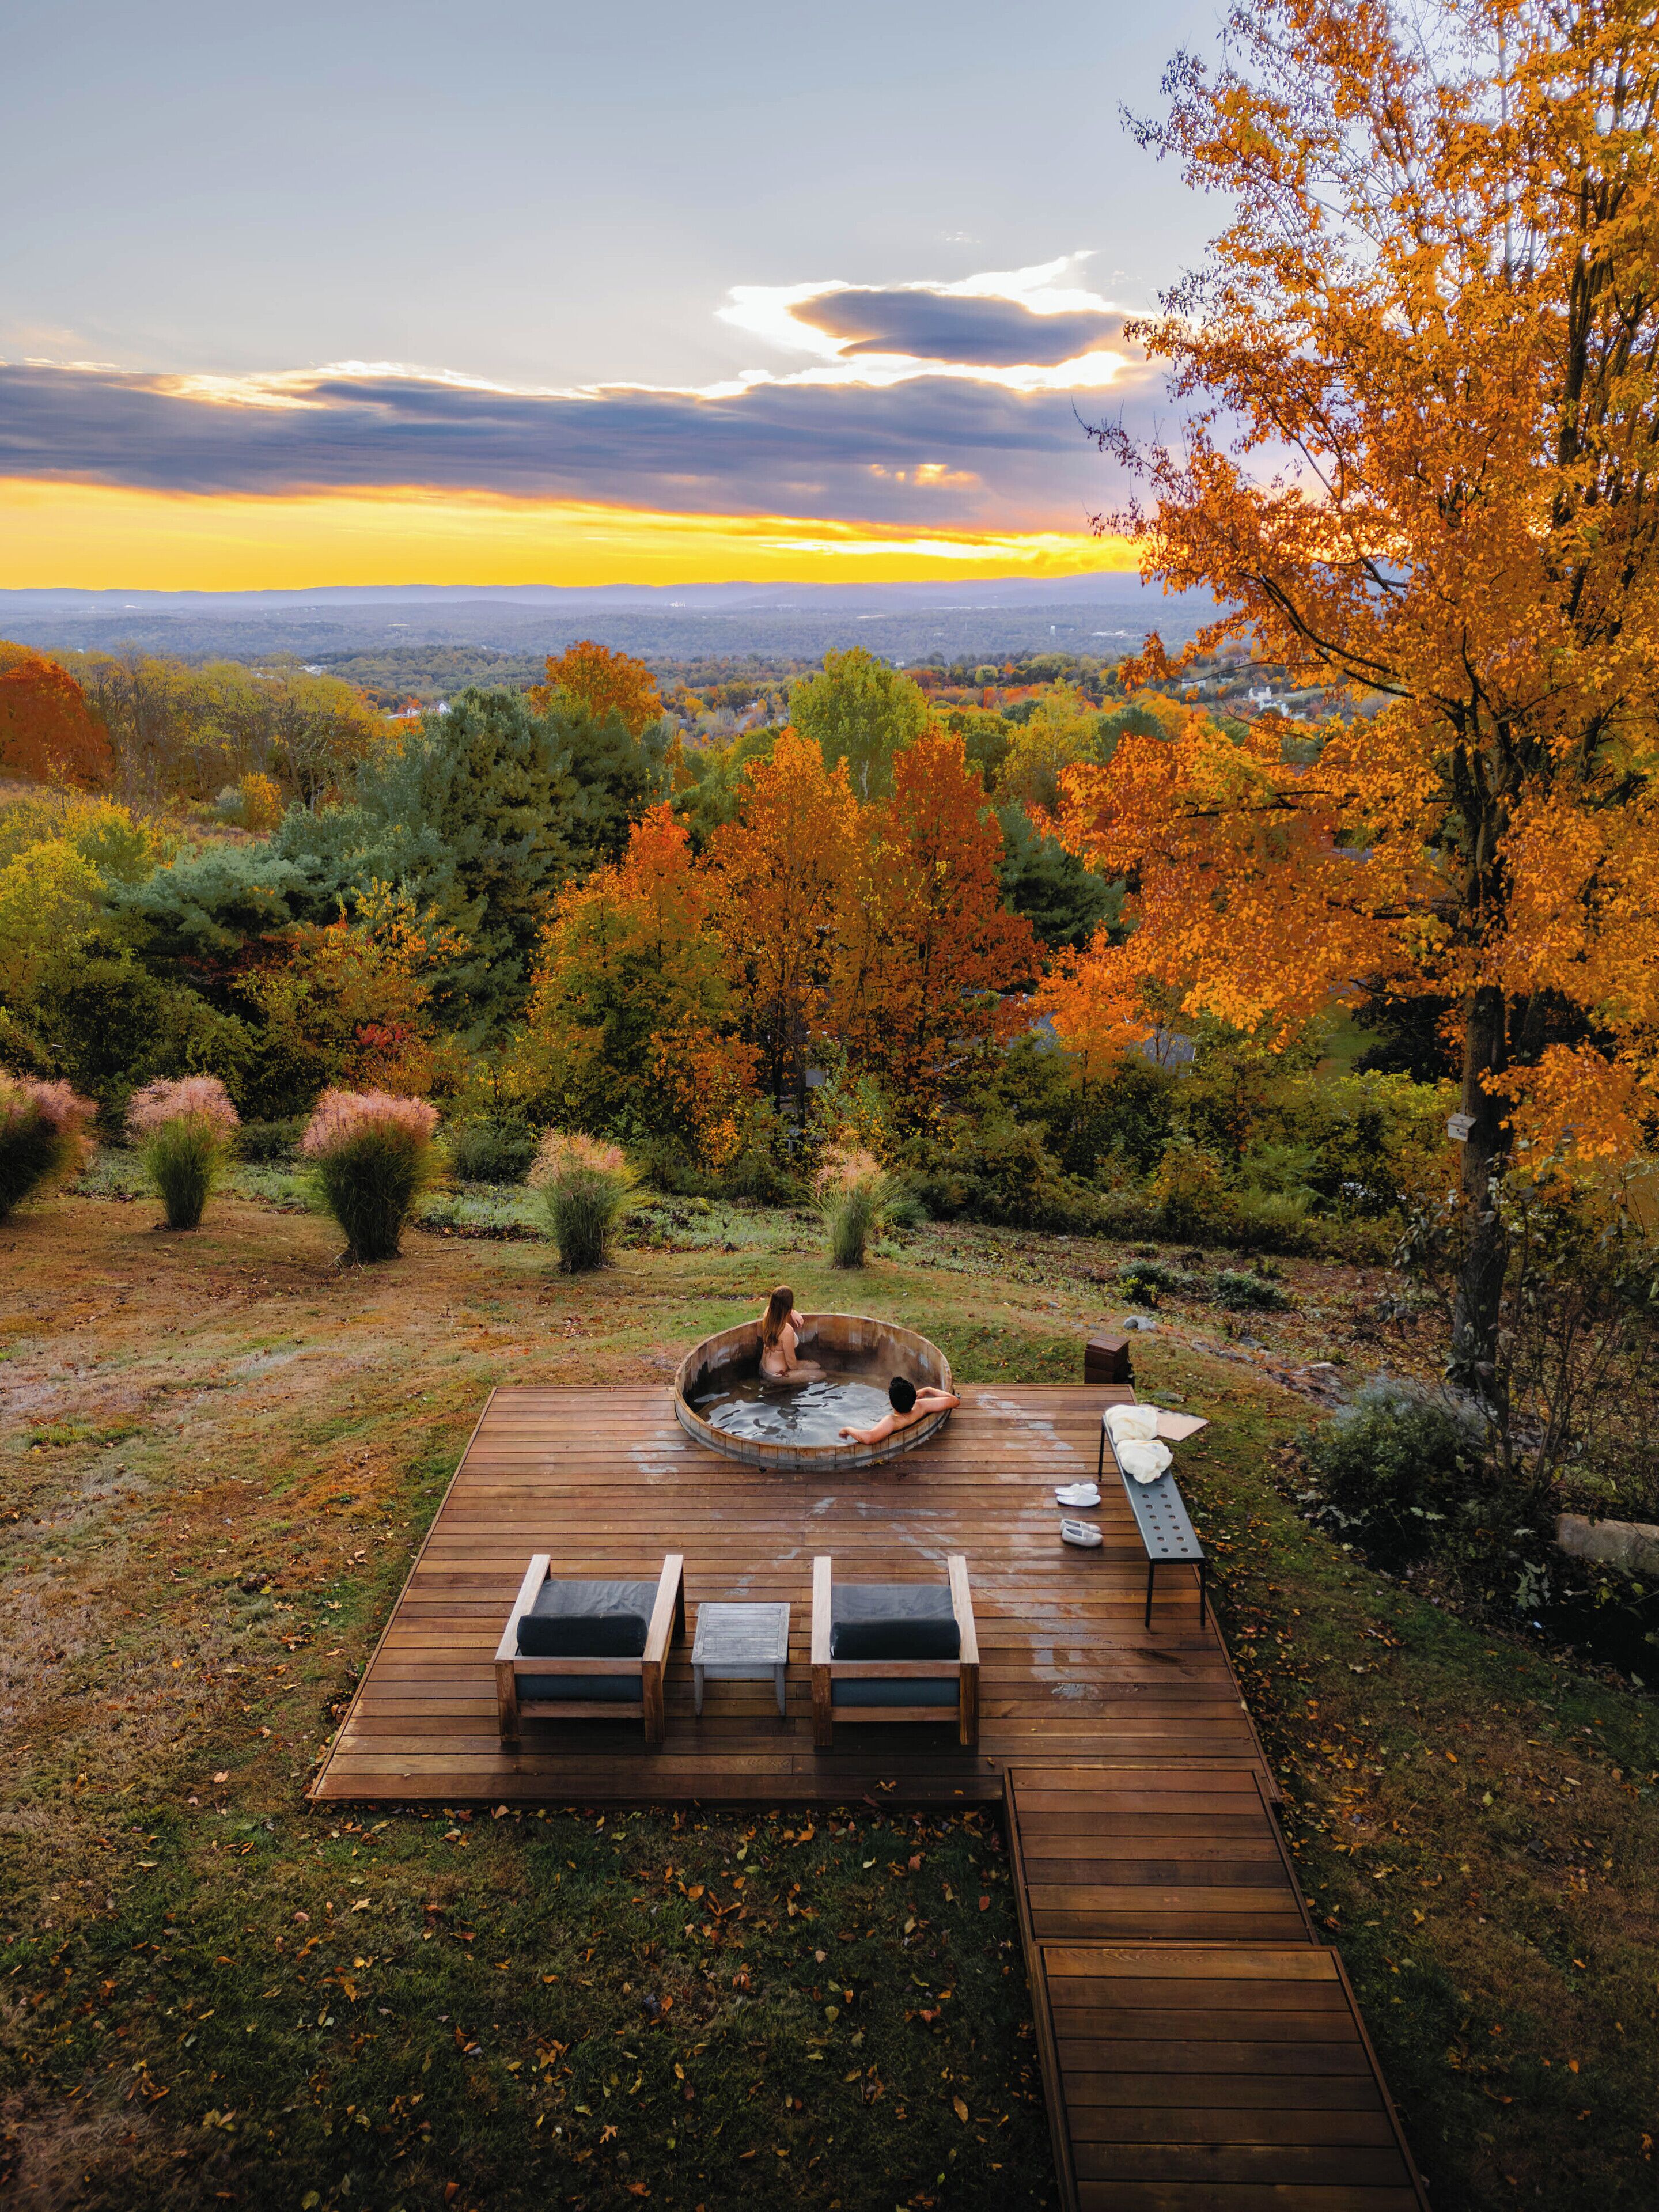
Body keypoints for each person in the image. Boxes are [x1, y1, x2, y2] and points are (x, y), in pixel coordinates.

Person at [839, 1373, 959, 1446]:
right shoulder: (921, 1407)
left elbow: (869, 1438)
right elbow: (954, 1401)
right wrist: (929, 1390)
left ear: (891, 1403)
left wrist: (848, 1429)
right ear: (914, 1397)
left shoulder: (892, 1421)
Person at [757, 1285, 823, 1384]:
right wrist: (802, 1374)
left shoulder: (768, 1315)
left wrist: (792, 1312)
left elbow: (775, 1308)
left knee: (816, 1365)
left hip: (764, 1368)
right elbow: (791, 1362)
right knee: (820, 1375)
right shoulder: (787, 1331)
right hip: (777, 1376)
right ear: (790, 1305)